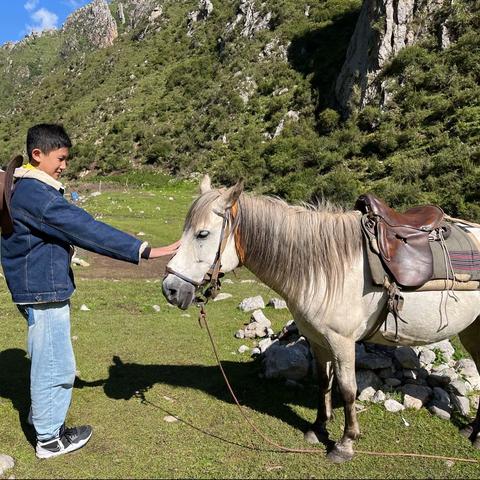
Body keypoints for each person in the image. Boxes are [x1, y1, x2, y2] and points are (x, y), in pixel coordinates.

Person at [1, 124, 180, 459]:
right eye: (61, 158)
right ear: (37, 155)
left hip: (33, 286)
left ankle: (41, 418)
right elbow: (86, 228)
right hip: (44, 289)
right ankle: (50, 440)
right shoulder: (37, 196)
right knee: (55, 364)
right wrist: (144, 250)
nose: (65, 166)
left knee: (45, 359)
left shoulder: (22, 187)